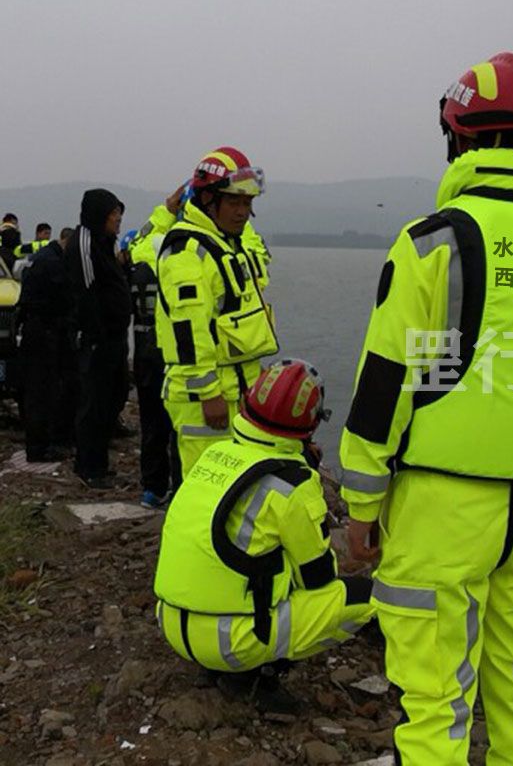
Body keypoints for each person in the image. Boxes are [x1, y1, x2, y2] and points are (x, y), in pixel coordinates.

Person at [339, 52, 513, 765]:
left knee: (435, 703)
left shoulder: (433, 241)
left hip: (441, 511)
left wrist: (363, 506)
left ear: (459, 137)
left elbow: (384, 384)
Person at [154, 359, 373, 708]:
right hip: (232, 642)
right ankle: (256, 675)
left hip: (172, 625)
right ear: (311, 424)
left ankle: (217, 666)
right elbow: (318, 579)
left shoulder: (215, 454)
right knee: (367, 596)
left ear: (246, 404)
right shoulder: (294, 485)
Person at [155, 147, 278, 479]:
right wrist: (209, 394)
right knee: (206, 486)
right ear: (208, 200)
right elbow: (189, 331)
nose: (243, 212)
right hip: (204, 398)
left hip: (236, 387)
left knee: (237, 486)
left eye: (248, 203)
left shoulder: (226, 243)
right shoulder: (186, 252)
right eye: (234, 202)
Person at [65, 189, 131, 489]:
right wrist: (96, 335)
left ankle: (100, 463)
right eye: (113, 214)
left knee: (113, 397)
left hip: (115, 337)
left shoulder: (106, 244)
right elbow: (85, 292)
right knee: (93, 402)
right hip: (97, 340)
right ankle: (88, 467)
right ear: (100, 215)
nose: (118, 219)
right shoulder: (84, 242)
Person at [118, 228, 174, 509]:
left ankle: (153, 487)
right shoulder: (172, 268)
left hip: (143, 355)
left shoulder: (135, 274)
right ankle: (179, 485)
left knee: (151, 424)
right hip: (171, 356)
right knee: (177, 427)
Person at [17, 227, 77, 461]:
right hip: (44, 332)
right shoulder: (53, 264)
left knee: (35, 391)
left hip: (33, 330)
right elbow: (63, 300)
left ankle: (39, 444)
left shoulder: (38, 259)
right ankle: (40, 448)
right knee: (43, 393)